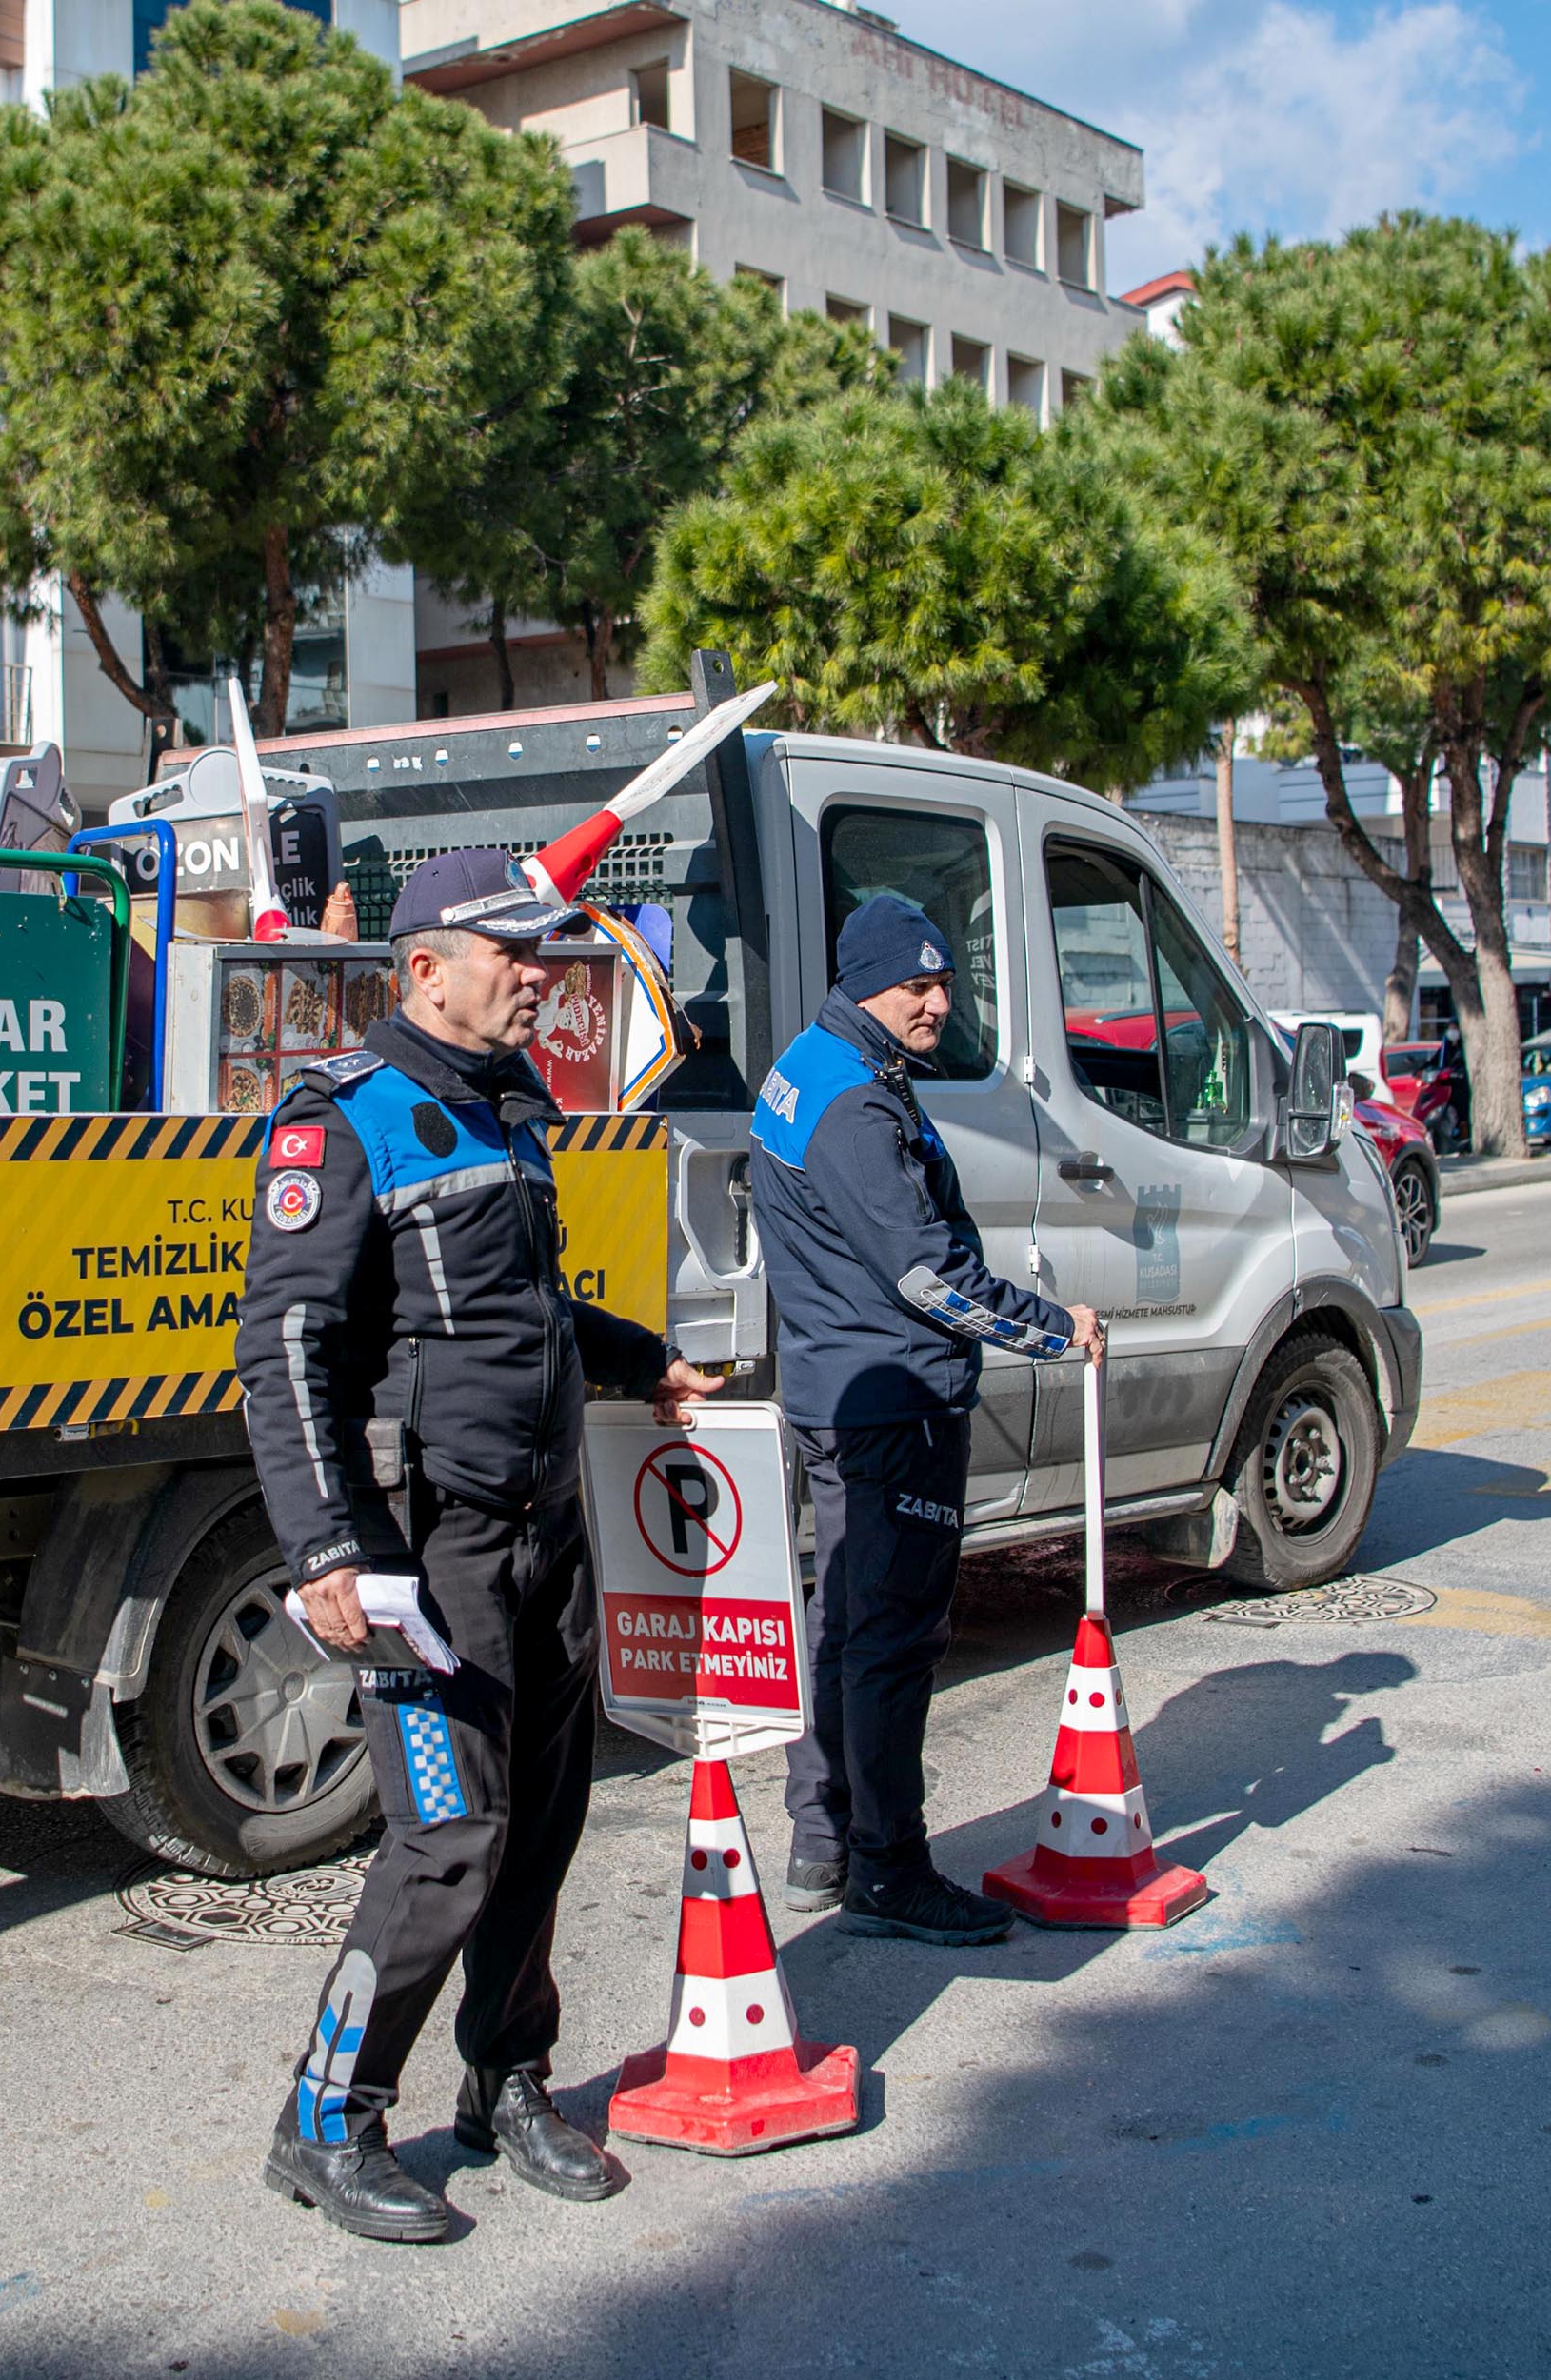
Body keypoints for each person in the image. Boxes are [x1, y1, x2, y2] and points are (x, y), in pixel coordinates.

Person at [237, 847, 718, 2244]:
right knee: (449, 1838)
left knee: (542, 1830)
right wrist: (328, 1550)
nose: (538, 973)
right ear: (426, 968)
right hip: (424, 1553)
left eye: (542, 950)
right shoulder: (343, 1122)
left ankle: (504, 2082)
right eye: (511, 953)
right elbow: (286, 1352)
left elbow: (531, 1307)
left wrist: (643, 1362)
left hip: (547, 1533)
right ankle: (326, 2118)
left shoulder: (510, 1105)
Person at [748, 894, 1104, 1947]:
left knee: (844, 1628)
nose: (938, 1003)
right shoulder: (855, 1103)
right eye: (917, 985)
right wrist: (1052, 1329)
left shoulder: (807, 1066)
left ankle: (826, 1836)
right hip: (890, 1399)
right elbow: (924, 1275)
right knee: (891, 1640)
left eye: (944, 982)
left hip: (833, 1388)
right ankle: (888, 1869)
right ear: (865, 983)